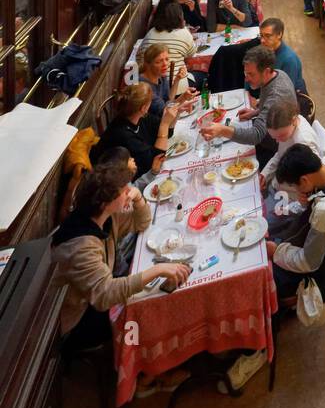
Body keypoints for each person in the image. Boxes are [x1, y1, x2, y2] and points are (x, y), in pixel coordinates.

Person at [52, 160, 190, 351]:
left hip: (96, 295)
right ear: (105, 202)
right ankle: (146, 371)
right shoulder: (81, 246)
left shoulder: (104, 216)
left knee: (150, 290)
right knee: (147, 308)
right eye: (124, 190)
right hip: (77, 320)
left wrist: (138, 198)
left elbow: (142, 223)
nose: (128, 191)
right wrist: (156, 270)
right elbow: (105, 295)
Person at [267, 145, 325, 298]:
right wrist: (301, 204)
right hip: (310, 236)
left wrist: (277, 252)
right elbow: (312, 201)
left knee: (265, 275)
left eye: (295, 186)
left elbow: (309, 262)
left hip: (314, 268)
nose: (296, 190)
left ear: (304, 179)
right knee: (273, 222)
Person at [200, 46, 294, 159]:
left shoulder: (276, 95)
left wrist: (222, 130)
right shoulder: (277, 74)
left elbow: (256, 135)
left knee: (227, 151)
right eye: (246, 73)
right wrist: (255, 112)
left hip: (279, 145)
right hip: (274, 131)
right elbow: (270, 107)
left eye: (251, 74)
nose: (246, 79)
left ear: (267, 71)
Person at [92, 83, 186, 179]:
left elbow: (167, 134)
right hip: (117, 180)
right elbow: (156, 160)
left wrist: (177, 113)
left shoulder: (139, 116)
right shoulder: (122, 133)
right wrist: (165, 124)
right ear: (143, 108)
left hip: (141, 171)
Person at [258, 92, 325, 194]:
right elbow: (281, 154)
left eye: (281, 136)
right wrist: (265, 174)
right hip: (295, 172)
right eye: (274, 137)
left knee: (274, 185)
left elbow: (312, 179)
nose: (277, 141)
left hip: (303, 184)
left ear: (294, 121)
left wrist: (274, 182)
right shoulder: (293, 123)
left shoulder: (304, 143)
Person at [141, 0, 197, 66]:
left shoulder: (151, 32)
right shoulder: (184, 33)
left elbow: (140, 56)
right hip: (174, 74)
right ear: (180, 17)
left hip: (151, 74)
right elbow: (191, 53)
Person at [257, 16, 305, 91]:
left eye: (268, 36)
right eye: (261, 36)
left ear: (279, 34)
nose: (262, 40)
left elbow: (286, 93)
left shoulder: (289, 60)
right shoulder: (267, 50)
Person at [138, 43, 191, 111]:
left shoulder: (161, 75)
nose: (165, 64)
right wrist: (183, 98)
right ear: (148, 65)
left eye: (167, 59)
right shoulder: (143, 87)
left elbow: (169, 100)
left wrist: (177, 80)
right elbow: (165, 110)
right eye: (158, 61)